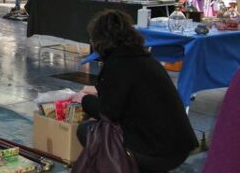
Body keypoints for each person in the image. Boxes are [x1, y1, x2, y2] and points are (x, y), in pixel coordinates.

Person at [75, 10, 197, 172]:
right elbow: (132, 89)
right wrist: (97, 89)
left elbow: (108, 112)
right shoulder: (142, 58)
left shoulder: (117, 65)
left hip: (157, 153)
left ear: (100, 41)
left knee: (86, 130)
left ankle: (127, 165)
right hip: (179, 146)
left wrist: (83, 99)